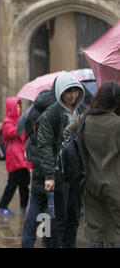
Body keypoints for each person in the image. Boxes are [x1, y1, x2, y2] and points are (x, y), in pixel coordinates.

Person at [63, 81, 120, 248]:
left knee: (95, 230)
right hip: (116, 184)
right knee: (117, 230)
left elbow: (67, 133)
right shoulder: (117, 124)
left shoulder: (84, 120)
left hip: (89, 182)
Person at [36, 71, 86, 248]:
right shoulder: (51, 114)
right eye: (69, 92)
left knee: (74, 214)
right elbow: (44, 144)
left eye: (76, 91)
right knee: (58, 216)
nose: (73, 96)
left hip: (76, 172)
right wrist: (49, 174)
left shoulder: (82, 110)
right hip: (58, 172)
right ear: (60, 92)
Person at [20, 88, 56, 248]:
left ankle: (27, 243)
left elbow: (28, 135)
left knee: (36, 203)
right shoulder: (54, 110)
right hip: (49, 163)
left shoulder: (34, 108)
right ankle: (46, 241)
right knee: (49, 207)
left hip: (37, 163)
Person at [0, 97, 32, 216]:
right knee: (12, 183)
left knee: (25, 182)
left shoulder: (19, 120)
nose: (18, 108)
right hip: (14, 157)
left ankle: (24, 206)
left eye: (19, 106)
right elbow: (12, 132)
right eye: (16, 106)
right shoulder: (7, 121)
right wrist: (24, 125)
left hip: (22, 157)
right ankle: (2, 206)